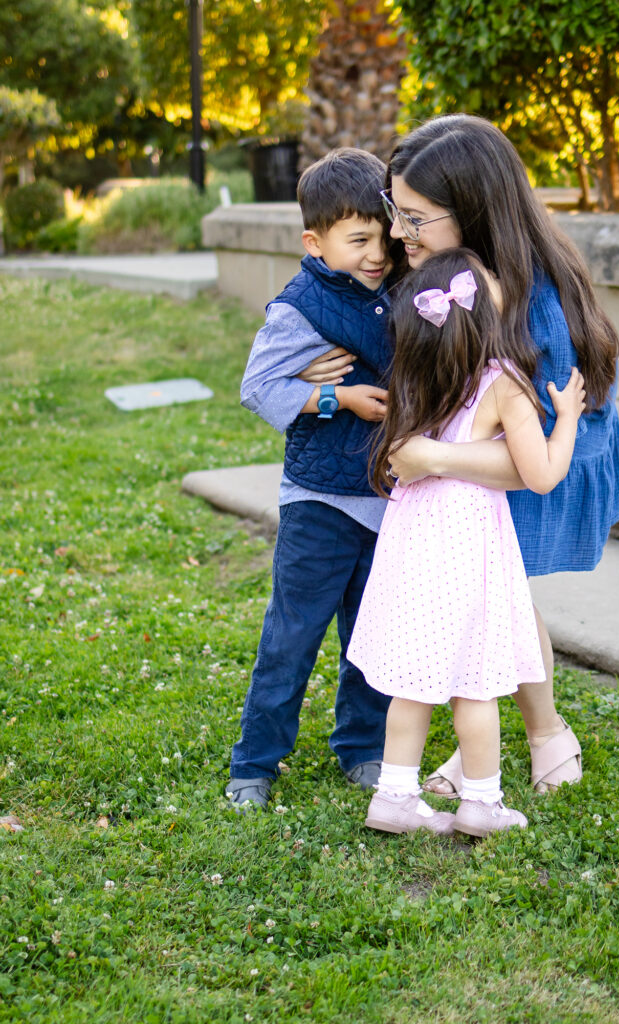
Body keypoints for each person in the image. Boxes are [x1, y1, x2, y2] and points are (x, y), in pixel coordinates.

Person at [304, 114, 619, 797]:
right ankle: (522, 738)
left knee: (500, 594)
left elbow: (535, 466)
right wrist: (300, 369)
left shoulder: (535, 306)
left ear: (473, 212)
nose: (396, 233)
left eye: (415, 218)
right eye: (396, 210)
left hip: (560, 456)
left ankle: (542, 737)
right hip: (489, 455)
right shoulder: (455, 278)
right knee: (492, 595)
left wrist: (430, 460)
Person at [347, 248, 586, 836]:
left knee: (413, 681)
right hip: (468, 547)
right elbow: (541, 474)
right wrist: (569, 418)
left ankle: (396, 795)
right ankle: (481, 802)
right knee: (473, 686)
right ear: (485, 312)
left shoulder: (412, 373)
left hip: (412, 543)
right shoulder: (504, 380)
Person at [227, 148, 396, 810]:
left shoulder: (402, 290)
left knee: (371, 636)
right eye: (358, 240)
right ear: (316, 242)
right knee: (291, 636)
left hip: (385, 499)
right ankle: (256, 762)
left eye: (383, 235)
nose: (376, 253)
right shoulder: (300, 307)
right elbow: (257, 386)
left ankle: (362, 748)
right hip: (320, 503)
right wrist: (337, 400)